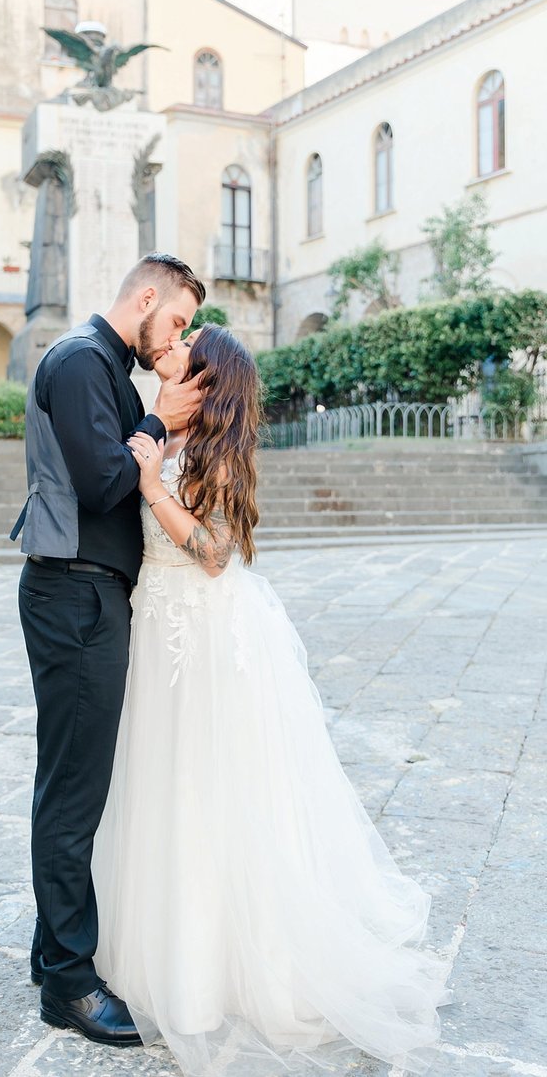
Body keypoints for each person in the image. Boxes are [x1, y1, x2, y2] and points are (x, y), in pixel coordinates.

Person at [93, 324, 453, 1076]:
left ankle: (218, 971)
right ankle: (161, 950)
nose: (173, 344)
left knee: (208, 786)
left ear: (208, 375)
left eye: (188, 342)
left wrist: (153, 486)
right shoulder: (163, 429)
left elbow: (214, 554)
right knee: (160, 781)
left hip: (205, 627)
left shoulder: (216, 452)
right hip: (157, 621)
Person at [13, 253, 206, 1045]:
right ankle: (69, 982)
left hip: (87, 594)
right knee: (74, 793)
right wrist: (161, 420)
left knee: (72, 783)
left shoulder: (104, 369)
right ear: (147, 297)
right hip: (74, 595)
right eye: (179, 320)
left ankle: (49, 953)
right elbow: (102, 483)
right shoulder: (80, 361)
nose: (179, 336)